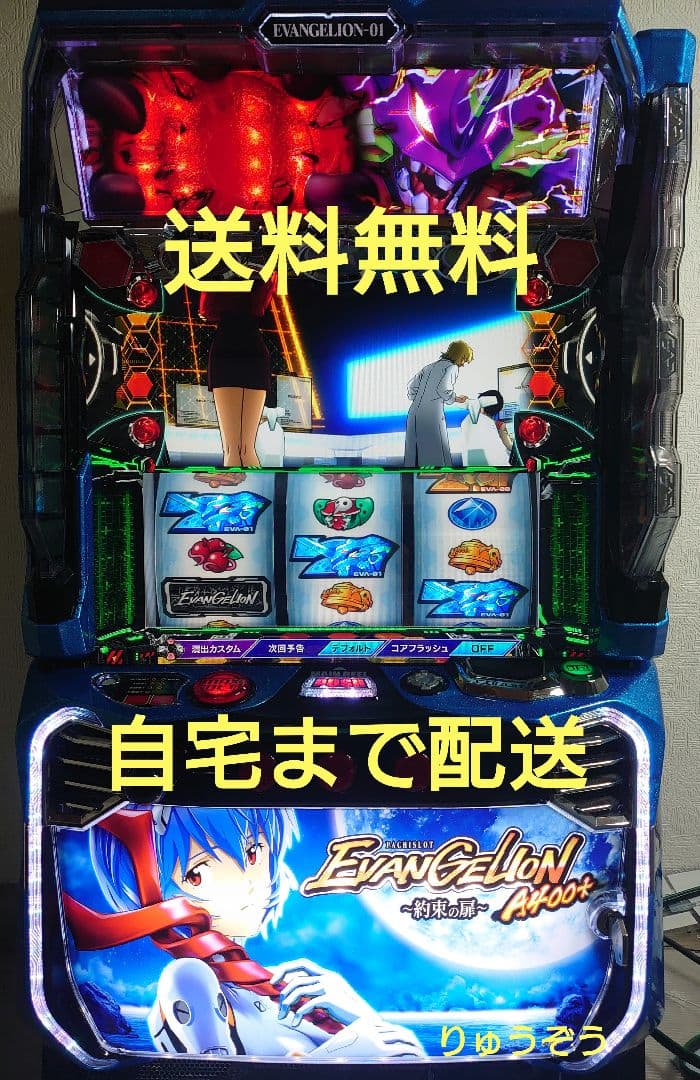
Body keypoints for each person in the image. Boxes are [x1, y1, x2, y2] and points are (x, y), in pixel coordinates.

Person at [65, 805, 425, 1060]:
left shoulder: (285, 987)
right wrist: (355, 1048)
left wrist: (362, 1018)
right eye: (197, 874)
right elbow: (211, 1072)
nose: (249, 883)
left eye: (253, 852)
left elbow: (403, 1056)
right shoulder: (190, 980)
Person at [199, 273, 278, 468]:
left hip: (226, 348)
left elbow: (206, 309)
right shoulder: (266, 270)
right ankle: (256, 486)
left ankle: (235, 486)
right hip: (253, 348)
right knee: (247, 448)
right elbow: (261, 304)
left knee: (232, 449)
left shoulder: (217, 270)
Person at [403, 340, 472, 467]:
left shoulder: (428, 367)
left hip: (413, 413)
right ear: (458, 355)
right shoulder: (452, 367)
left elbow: (411, 387)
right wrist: (456, 398)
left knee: (413, 456)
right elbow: (443, 389)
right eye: (464, 359)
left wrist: (421, 399)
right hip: (432, 415)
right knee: (436, 458)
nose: (463, 364)